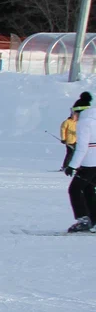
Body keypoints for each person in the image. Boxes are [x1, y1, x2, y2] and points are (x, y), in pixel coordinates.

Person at [64, 91, 96, 232]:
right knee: (88, 189)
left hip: (89, 163)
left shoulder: (84, 123)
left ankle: (83, 219)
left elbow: (82, 147)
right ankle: (93, 218)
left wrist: (72, 165)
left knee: (75, 189)